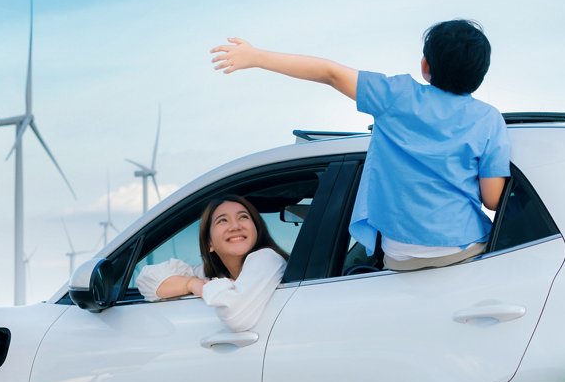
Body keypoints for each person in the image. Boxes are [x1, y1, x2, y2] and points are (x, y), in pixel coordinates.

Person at [210, 20, 510, 271]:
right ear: (480, 74)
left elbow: (330, 73)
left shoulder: (396, 96)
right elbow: (493, 200)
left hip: (402, 255)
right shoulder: (488, 119)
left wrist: (256, 57)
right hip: (463, 250)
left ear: (425, 65)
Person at [136, 195, 288, 332]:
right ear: (209, 243)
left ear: (256, 230)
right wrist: (193, 284)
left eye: (243, 217)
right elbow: (147, 280)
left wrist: (208, 288)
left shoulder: (267, 258)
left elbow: (235, 317)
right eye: (223, 220)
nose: (235, 226)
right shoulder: (210, 274)